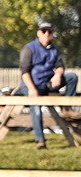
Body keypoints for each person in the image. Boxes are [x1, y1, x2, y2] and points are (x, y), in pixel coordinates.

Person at [15, 21, 78, 149]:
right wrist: (32, 89)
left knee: (72, 77)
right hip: (31, 85)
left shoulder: (54, 49)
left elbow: (60, 66)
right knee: (36, 108)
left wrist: (58, 74)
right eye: (44, 31)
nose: (47, 34)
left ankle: (67, 108)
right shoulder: (29, 48)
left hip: (47, 83)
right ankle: (40, 141)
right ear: (38, 33)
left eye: (49, 31)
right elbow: (24, 72)